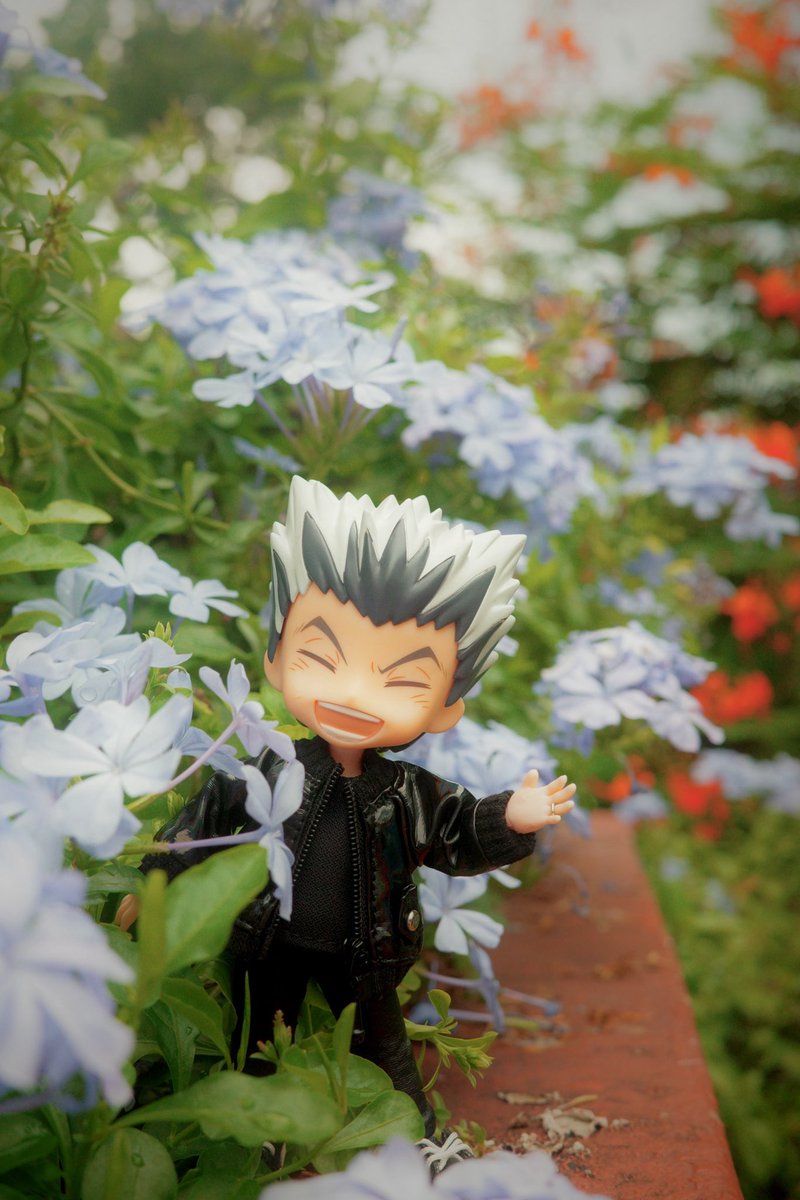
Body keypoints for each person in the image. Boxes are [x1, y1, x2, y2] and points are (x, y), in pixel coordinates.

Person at [120, 476, 576, 1175]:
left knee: (386, 1050)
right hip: (269, 940)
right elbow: (204, 821)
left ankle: (418, 1140)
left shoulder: (407, 791)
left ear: (447, 707)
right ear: (276, 657)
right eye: (322, 656)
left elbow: (454, 829)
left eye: (402, 680)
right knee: (253, 1043)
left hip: (364, 951)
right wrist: (154, 879)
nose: (355, 693)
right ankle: (255, 1139)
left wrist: (508, 819)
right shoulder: (266, 766)